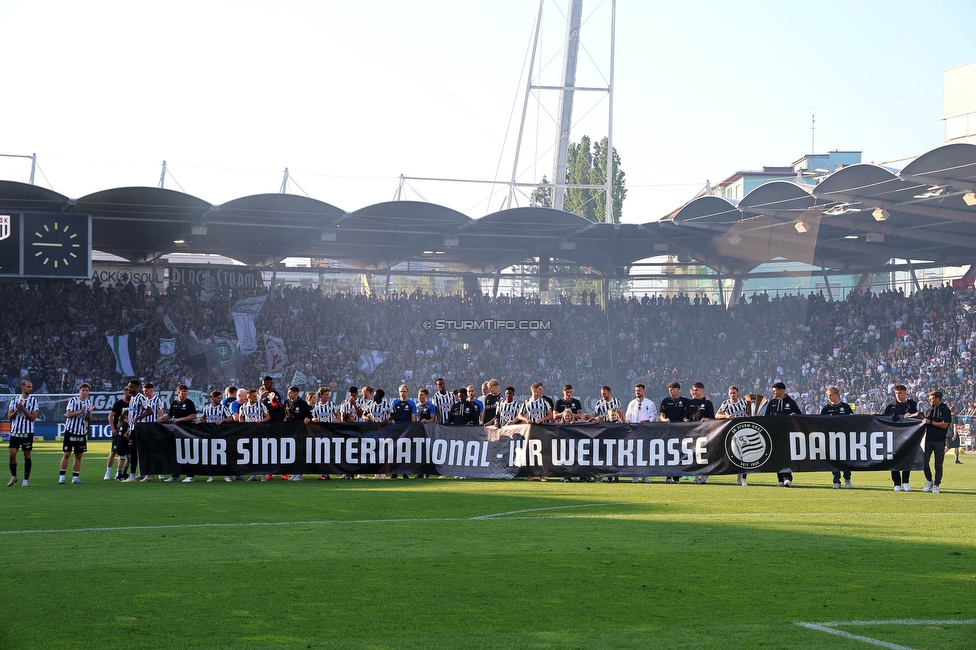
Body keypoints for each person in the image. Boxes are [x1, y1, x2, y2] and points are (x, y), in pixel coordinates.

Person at [876, 384, 919, 492]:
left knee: (907, 459)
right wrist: (875, 416)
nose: (898, 395)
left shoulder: (911, 404)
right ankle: (896, 483)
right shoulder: (891, 406)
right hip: (894, 436)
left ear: (905, 393)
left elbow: (917, 416)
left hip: (908, 436)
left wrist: (913, 415)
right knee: (893, 459)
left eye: (900, 393)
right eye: (896, 393)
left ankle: (905, 482)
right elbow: (885, 418)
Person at [159, 384, 197, 482]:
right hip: (176, 432)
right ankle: (175, 475)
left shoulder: (189, 403)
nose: (185, 393)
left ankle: (190, 475)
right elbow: (170, 415)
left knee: (188, 452)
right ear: (178, 392)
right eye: (183, 391)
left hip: (187, 431)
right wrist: (162, 418)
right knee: (176, 453)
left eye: (186, 391)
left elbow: (193, 416)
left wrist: (180, 419)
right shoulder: (174, 403)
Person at [767, 382, 802, 487]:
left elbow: (799, 415)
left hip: (787, 434)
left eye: (775, 390)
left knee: (786, 456)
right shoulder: (771, 402)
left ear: (782, 390)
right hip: (775, 433)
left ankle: (788, 478)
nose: (773, 392)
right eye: (773, 390)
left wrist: (794, 415)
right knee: (777, 457)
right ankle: (780, 479)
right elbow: (767, 417)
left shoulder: (791, 402)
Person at [820, 387, 854, 489]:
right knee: (834, 460)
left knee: (845, 459)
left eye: (831, 395)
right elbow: (819, 421)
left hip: (844, 437)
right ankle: (836, 481)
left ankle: (847, 479)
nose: (829, 397)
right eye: (828, 395)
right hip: (831, 438)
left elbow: (853, 420)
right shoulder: (826, 408)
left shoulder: (845, 407)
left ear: (837, 394)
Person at [59, 382, 93, 485]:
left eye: (86, 390)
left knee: (78, 455)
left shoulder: (89, 403)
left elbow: (89, 419)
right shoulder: (73, 401)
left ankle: (75, 477)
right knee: (67, 454)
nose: (85, 392)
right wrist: (81, 411)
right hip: (71, 431)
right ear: (79, 391)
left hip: (81, 432)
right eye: (83, 390)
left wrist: (88, 412)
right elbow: (68, 414)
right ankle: (62, 477)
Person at [132, 382, 165, 482]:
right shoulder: (142, 400)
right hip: (143, 428)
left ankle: (159, 472)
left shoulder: (157, 400)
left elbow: (161, 413)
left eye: (146, 391)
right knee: (143, 451)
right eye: (144, 391)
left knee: (154, 451)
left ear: (152, 390)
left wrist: (159, 425)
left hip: (153, 428)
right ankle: (144, 472)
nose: (145, 393)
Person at [7, 380, 38, 487]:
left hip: (27, 432)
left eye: (31, 387)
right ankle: (14, 476)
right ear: (23, 388)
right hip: (15, 432)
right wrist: (17, 410)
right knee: (12, 455)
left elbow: (33, 418)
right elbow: (9, 416)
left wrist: (23, 409)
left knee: (27, 454)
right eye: (29, 387)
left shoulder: (34, 401)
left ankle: (26, 479)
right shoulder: (14, 400)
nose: (31, 389)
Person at [197, 390, 233, 483]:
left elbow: (230, 418)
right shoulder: (207, 408)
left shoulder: (223, 408)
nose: (220, 400)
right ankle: (211, 475)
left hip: (221, 433)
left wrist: (222, 420)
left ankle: (226, 475)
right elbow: (204, 417)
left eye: (221, 398)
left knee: (223, 455)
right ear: (212, 398)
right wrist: (199, 420)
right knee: (210, 455)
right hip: (210, 434)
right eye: (218, 398)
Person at [716, 386, 750, 485]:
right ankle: (738, 473)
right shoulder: (726, 403)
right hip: (732, 432)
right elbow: (717, 415)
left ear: (738, 393)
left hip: (744, 430)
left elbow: (748, 413)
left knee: (745, 454)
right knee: (735, 454)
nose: (732, 395)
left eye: (734, 393)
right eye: (730, 393)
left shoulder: (743, 402)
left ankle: (743, 477)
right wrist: (726, 416)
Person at [920, 390, 952, 494]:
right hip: (927, 440)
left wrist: (931, 422)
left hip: (939, 441)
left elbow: (944, 424)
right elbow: (923, 419)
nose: (929, 400)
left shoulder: (945, 409)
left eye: (931, 398)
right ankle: (929, 480)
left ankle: (936, 484)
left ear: (937, 399)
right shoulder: (929, 409)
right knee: (924, 462)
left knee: (938, 464)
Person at [624, 383, 657, 484]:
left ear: (644, 391)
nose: (637, 392)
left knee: (645, 454)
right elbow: (628, 415)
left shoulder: (650, 403)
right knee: (634, 454)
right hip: (634, 432)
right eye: (636, 391)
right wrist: (628, 420)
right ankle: (635, 476)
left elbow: (653, 417)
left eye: (639, 390)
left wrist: (648, 421)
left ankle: (645, 476)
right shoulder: (632, 403)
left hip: (645, 431)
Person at [686, 382, 715, 484]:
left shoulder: (708, 403)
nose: (694, 392)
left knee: (703, 455)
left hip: (704, 432)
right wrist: (685, 419)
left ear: (702, 390)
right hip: (692, 432)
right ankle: (696, 476)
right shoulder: (689, 403)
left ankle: (703, 476)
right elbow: (686, 416)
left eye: (696, 390)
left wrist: (707, 419)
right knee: (694, 454)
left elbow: (712, 417)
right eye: (693, 390)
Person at [659, 381, 687, 484]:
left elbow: (691, 409)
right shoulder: (665, 401)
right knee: (669, 454)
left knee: (679, 453)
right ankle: (668, 475)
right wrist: (664, 420)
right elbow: (662, 415)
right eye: (669, 389)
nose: (671, 391)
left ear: (678, 390)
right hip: (669, 431)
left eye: (673, 389)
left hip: (681, 431)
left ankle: (677, 477)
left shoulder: (684, 401)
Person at [390, 384, 417, 479]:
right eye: (401, 391)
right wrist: (392, 420)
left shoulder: (411, 404)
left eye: (404, 391)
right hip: (396, 430)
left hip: (407, 430)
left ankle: (404, 472)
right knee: (395, 451)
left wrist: (411, 429)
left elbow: (413, 418)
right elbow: (391, 416)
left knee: (405, 452)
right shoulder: (395, 402)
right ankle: (394, 472)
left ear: (408, 392)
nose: (403, 393)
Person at [108, 387, 134, 482]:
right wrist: (113, 428)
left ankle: (121, 473)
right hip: (121, 434)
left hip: (127, 432)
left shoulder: (134, 402)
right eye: (127, 391)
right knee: (114, 452)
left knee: (129, 457)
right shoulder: (119, 404)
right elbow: (110, 415)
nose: (129, 393)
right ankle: (110, 472)